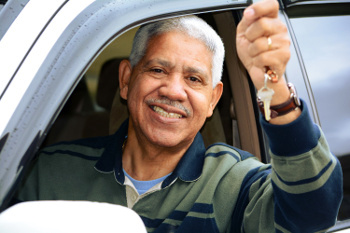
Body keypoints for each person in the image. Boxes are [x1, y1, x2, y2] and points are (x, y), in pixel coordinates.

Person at [16, 0, 342, 232]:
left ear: (213, 99)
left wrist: (274, 87)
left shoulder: (235, 181)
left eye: (194, 79)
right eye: (158, 69)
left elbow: (313, 214)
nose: (173, 91)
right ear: (126, 80)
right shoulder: (46, 170)